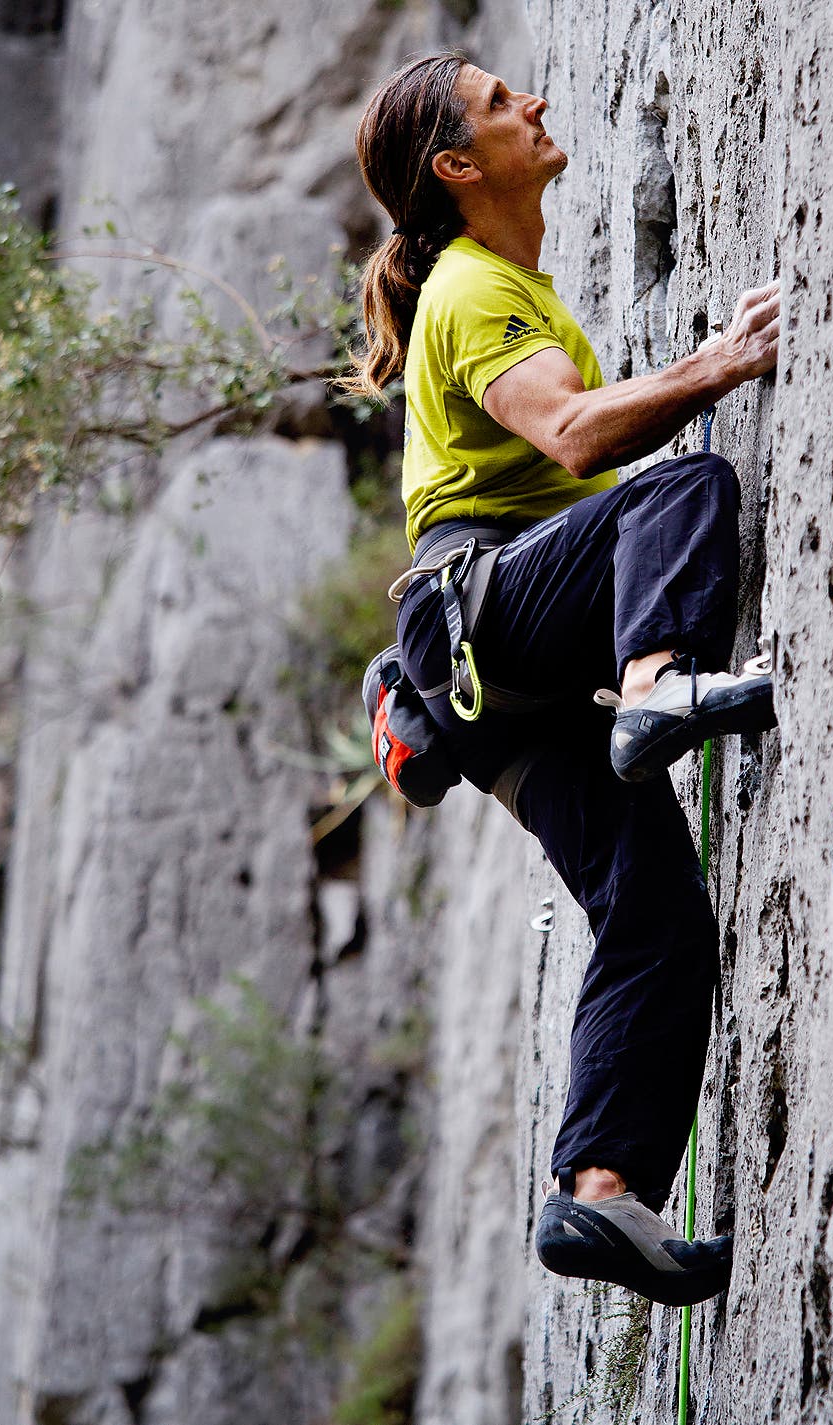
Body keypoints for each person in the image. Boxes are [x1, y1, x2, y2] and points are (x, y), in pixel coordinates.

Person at [345, 52, 780, 1307]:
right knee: (682, 482)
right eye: (497, 103)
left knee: (651, 917)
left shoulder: (496, 284)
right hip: (480, 622)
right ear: (458, 166)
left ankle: (601, 1198)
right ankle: (654, 682)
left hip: (491, 690)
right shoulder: (472, 289)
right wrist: (716, 367)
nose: (531, 101)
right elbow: (578, 436)